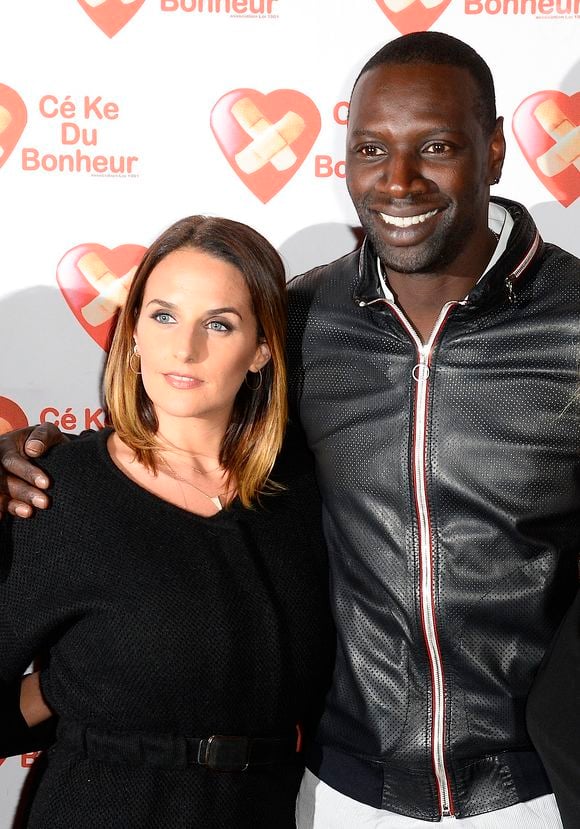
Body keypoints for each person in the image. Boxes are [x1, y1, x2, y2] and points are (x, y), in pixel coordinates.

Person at [1, 30, 579, 827]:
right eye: (371, 148)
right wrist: (26, 459)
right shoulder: (307, 316)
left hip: (531, 787)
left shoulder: (572, 321)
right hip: (344, 790)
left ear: (495, 151)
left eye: (436, 146)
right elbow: (167, 455)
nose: (399, 179)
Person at [0, 215, 334, 828]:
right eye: (163, 315)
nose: (186, 349)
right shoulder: (56, 491)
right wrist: (56, 691)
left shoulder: (305, 498)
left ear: (261, 348)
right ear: (131, 334)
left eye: (218, 323)